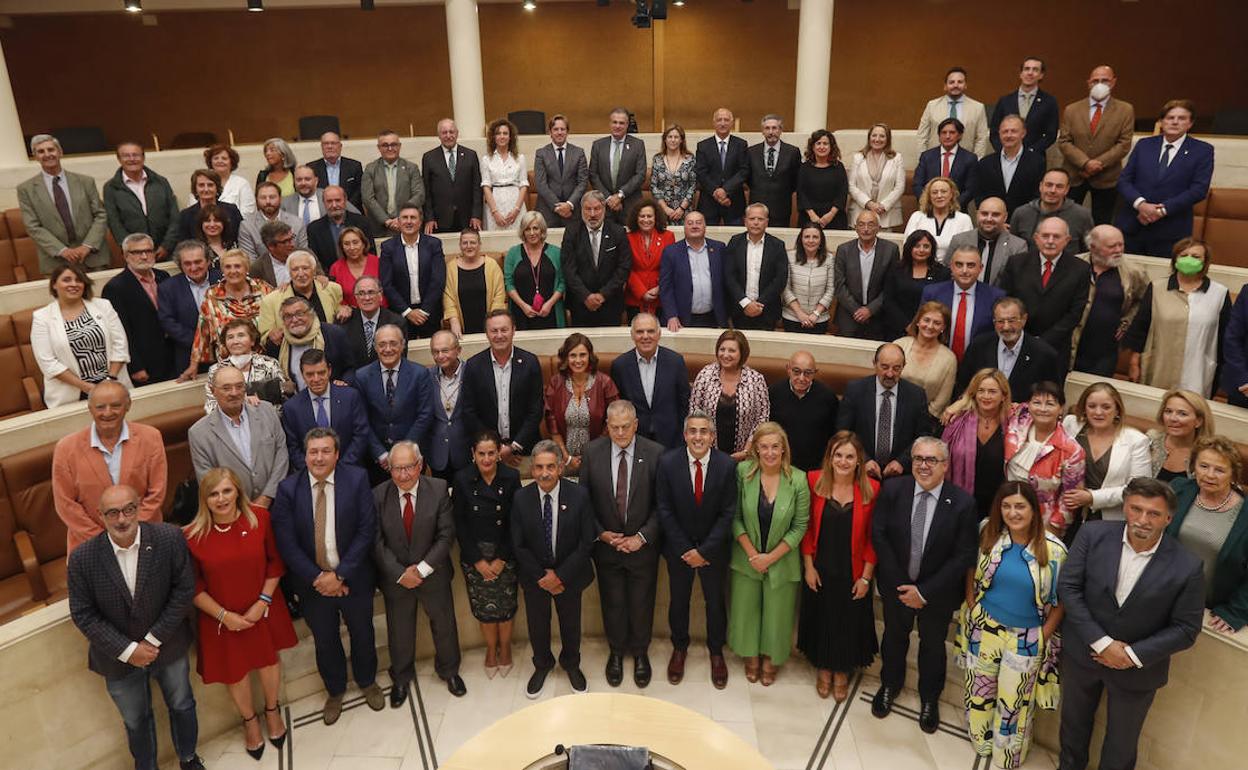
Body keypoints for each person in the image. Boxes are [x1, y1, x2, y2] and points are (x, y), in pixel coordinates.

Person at [1057, 477, 1204, 770]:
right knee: (1073, 727)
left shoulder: (1188, 565)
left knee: (1122, 744)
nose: (1143, 520)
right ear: (1125, 507)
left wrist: (1130, 656)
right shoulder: (1092, 534)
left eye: (1154, 514)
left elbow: (1186, 629)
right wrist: (1103, 643)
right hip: (1082, 655)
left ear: (1168, 518)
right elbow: (1069, 589)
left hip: (1138, 670)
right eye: (1136, 509)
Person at [66, 485, 203, 770]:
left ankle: (188, 758)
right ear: (100, 516)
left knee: (182, 704)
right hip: (117, 659)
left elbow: (183, 590)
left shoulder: (169, 538)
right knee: (135, 721)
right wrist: (129, 651)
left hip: (168, 645)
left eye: (128, 510)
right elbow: (83, 613)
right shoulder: (81, 559)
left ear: (139, 507)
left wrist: (152, 641)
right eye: (112, 513)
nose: (122, 519)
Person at [271, 427, 384, 724]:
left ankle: (367, 681)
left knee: (363, 633)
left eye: (325, 451)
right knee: (325, 640)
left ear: (337, 454)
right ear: (305, 455)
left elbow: (365, 530)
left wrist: (340, 575)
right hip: (313, 586)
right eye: (313, 452)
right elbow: (287, 542)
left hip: (354, 578)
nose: (318, 458)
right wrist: (320, 579)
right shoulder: (287, 490)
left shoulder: (357, 479)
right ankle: (335, 691)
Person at [184, 467, 295, 759]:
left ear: (238, 492)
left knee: (269, 661)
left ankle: (272, 711)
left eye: (226, 491)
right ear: (204, 499)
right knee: (236, 672)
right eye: (213, 494)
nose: (221, 499)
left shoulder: (260, 518)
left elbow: (275, 563)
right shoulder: (192, 536)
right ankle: (249, 721)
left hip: (262, 609)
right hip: (221, 620)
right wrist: (224, 616)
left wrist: (262, 602)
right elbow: (193, 587)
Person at [871, 436, 978, 732]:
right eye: (918, 458)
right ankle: (889, 686)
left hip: (937, 595)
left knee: (932, 646)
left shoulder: (962, 503)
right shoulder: (893, 490)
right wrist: (902, 586)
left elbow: (964, 555)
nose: (923, 465)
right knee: (894, 638)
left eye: (931, 460)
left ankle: (929, 699)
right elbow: (879, 535)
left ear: (945, 465)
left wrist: (923, 591)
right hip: (896, 586)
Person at [957, 481, 1066, 768]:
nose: (1013, 513)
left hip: (1026, 637)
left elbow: (1061, 599)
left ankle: (1007, 755)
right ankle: (979, 740)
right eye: (1006, 506)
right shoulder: (988, 534)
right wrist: (971, 602)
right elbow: (971, 567)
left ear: (1034, 509)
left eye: (1020, 506)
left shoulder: (1054, 550)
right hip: (984, 627)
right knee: (979, 691)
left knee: (1013, 702)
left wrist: (1044, 634)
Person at [579, 400, 664, 688]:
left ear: (636, 425)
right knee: (612, 602)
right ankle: (615, 653)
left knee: (642, 603)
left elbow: (661, 506)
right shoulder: (592, 452)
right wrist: (601, 533)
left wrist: (641, 537)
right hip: (607, 546)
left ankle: (640, 654)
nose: (620, 433)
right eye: (614, 427)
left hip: (642, 548)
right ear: (607, 426)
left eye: (625, 427)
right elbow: (584, 502)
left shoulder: (655, 453)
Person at [372, 441, 466, 702]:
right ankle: (401, 677)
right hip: (397, 579)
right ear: (389, 469)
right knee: (399, 631)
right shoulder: (378, 495)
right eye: (397, 468)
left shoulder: (437, 490)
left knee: (444, 625)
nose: (403, 475)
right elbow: (376, 542)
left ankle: (449, 671)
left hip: (433, 574)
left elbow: (446, 535)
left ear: (420, 464)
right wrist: (402, 574)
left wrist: (422, 570)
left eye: (409, 467)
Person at [656, 410, 738, 690]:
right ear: (684, 435)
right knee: (678, 601)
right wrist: (686, 549)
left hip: (713, 552)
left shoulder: (727, 466)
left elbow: (728, 513)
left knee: (715, 603)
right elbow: (664, 510)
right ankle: (679, 649)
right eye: (693, 431)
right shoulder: (667, 463)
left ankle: (716, 652)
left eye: (704, 431)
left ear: (712, 436)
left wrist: (704, 551)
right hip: (678, 550)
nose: (698, 436)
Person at [512, 440, 597, 698]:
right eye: (538, 467)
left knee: (571, 624)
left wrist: (560, 575)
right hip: (534, 577)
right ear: (533, 469)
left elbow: (586, 541)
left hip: (569, 575)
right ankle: (542, 664)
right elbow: (518, 544)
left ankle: (571, 664)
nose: (544, 473)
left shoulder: (579, 495)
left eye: (550, 466)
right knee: (537, 625)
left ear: (560, 467)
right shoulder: (521, 498)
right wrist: (542, 576)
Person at [798, 431, 879, 701]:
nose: (843, 461)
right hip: (820, 565)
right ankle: (823, 667)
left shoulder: (872, 489)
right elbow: (806, 528)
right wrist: (808, 566)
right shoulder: (813, 481)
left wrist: (866, 578)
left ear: (859, 461)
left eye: (850, 456)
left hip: (853, 568)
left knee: (848, 620)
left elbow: (872, 538)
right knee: (822, 616)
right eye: (838, 455)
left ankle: (842, 671)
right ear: (830, 458)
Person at [728, 422, 810, 686]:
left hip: (782, 561)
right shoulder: (743, 472)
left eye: (776, 446)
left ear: (784, 449)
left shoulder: (798, 479)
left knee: (778, 614)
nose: (770, 452)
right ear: (756, 449)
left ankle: (770, 658)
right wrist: (754, 555)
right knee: (746, 610)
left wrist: (770, 558)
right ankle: (750, 655)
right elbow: (734, 517)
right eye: (764, 447)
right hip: (746, 557)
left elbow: (800, 526)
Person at [51, 381, 166, 551]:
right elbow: (66, 505)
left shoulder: (151, 437)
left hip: (145, 536)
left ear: (128, 406)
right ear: (90, 408)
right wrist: (104, 540)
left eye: (115, 406)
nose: (107, 413)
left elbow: (157, 492)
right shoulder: (66, 448)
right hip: (90, 544)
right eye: (100, 407)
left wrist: (131, 534)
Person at [454, 430, 523, 677]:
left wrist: (502, 558)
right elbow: (459, 524)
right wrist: (478, 561)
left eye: (491, 453)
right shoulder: (462, 479)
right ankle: (490, 649)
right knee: (485, 609)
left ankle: (505, 649)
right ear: (473, 454)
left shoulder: (511, 477)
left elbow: (516, 522)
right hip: (476, 556)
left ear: (498, 454)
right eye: (481, 453)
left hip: (504, 553)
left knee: (505, 608)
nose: (486, 459)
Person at [1124, 238, 1230, 397]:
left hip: (1198, 373)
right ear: (1175, 259)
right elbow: (1141, 328)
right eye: (1184, 255)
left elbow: (1225, 337)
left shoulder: (1219, 293)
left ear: (1205, 262)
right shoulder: (1157, 288)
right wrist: (1134, 363)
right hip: (1160, 368)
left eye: (1196, 256)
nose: (1189, 259)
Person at [1168, 436, 1248, 634]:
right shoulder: (1178, 489)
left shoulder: (1245, 514)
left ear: (1233, 474)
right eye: (1203, 466)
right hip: (1163, 591)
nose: (1209, 475)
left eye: (1219, 470)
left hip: (1209, 605)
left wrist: (1236, 612)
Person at [1116, 99, 1215, 257]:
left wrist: (1161, 210)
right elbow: (1124, 181)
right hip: (1133, 224)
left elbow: (1199, 190)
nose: (1175, 122)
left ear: (1190, 124)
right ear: (1161, 122)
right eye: (1170, 118)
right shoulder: (1144, 145)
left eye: (1181, 118)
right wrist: (1141, 205)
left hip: (1171, 230)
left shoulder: (1202, 150)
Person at [31, 263, 131, 408]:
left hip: (113, 384)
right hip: (72, 393)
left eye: (79, 280)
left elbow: (120, 344)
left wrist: (110, 379)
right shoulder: (42, 317)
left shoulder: (103, 305)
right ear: (54, 284)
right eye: (66, 280)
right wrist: (88, 388)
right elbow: (48, 363)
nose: (74, 284)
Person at [999, 218, 1091, 374]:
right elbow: (1006, 301)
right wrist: (1021, 337)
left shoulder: (1080, 269)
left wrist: (1043, 341)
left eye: (1056, 237)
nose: (1050, 241)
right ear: (1036, 238)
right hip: (1016, 342)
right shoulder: (1016, 263)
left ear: (1067, 240)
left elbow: (1075, 313)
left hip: (1056, 348)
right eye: (1045, 236)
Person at [188, 365, 289, 508]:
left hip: (277, 504)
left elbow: (281, 455)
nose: (234, 393)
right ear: (213, 391)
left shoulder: (267, 411)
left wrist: (267, 497)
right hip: (232, 512)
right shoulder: (199, 433)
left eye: (239, 386)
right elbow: (208, 480)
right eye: (226, 388)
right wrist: (241, 508)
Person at [461, 310, 545, 468]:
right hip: (487, 454)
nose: (499, 335)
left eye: (504, 330)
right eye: (494, 331)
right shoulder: (474, 365)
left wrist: (514, 447)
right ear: (486, 334)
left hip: (524, 450)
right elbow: (469, 412)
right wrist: (495, 448)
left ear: (514, 330)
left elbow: (535, 411)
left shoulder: (530, 362)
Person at [1060, 382, 1152, 526]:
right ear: (1084, 408)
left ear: (1117, 411)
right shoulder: (1071, 425)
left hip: (1107, 519)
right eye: (1092, 406)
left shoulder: (1137, 440)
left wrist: (1092, 497)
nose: (1098, 412)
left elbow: (1139, 488)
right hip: (1064, 510)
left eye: (1106, 407)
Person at [351, 324, 434, 480]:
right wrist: (380, 454)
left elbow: (425, 415)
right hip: (377, 462)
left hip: (411, 458)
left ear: (403, 345)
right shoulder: (362, 376)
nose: (387, 349)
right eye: (382, 344)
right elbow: (361, 419)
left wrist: (403, 452)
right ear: (375, 347)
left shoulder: (420, 374)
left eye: (393, 343)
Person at [836, 342, 930, 479]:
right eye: (884, 367)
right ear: (874, 363)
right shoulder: (855, 390)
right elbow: (843, 432)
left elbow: (923, 436)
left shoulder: (916, 395)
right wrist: (864, 460)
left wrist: (902, 462)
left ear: (904, 366)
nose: (890, 374)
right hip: (860, 470)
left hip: (901, 474)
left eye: (896, 368)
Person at [18, 134, 109, 273]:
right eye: (41, 151)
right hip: (56, 263)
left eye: (51, 149)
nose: (47, 154)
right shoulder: (26, 189)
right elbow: (32, 226)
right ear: (35, 156)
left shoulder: (85, 182)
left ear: (60, 152)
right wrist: (62, 250)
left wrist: (87, 245)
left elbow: (100, 215)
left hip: (93, 258)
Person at [1004, 381, 1085, 537]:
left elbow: (1069, 502)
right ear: (1028, 405)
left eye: (1050, 404)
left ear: (1061, 408)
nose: (1042, 409)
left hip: (1041, 524)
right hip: (1006, 510)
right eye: (1036, 402)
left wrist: (1051, 531)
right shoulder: (1018, 421)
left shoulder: (1072, 450)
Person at [1058, 65, 1136, 226]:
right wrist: (1085, 163)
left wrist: (1098, 163)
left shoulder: (1125, 110)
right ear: (1088, 83)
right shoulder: (1072, 109)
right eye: (1095, 81)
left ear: (1113, 82)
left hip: (1107, 177)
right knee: (1068, 220)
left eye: (1105, 80)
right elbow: (1064, 141)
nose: (1100, 84)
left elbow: (1124, 143)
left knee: (1102, 221)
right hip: (1074, 174)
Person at [1070, 224, 1150, 377]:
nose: (1119, 250)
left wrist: (1127, 321)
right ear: (1093, 247)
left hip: (1105, 350)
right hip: (1072, 342)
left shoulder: (1134, 271)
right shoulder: (1073, 265)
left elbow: (1143, 302)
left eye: (1121, 245)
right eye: (1112, 246)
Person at [182, 249, 272, 377]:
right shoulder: (212, 295)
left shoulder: (264, 289)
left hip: (263, 362)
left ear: (247, 268)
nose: (232, 271)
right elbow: (202, 330)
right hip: (227, 364)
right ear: (222, 271)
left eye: (237, 266)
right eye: (228, 267)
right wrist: (193, 364)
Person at [101, 233, 175, 385]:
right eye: (137, 252)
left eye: (148, 251)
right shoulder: (115, 288)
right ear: (126, 256)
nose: (144, 256)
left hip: (173, 353)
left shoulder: (164, 276)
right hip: (145, 361)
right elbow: (120, 331)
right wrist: (135, 366)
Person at [609, 313, 691, 449]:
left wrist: (681, 439)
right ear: (632, 335)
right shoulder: (620, 366)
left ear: (659, 334)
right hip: (634, 441)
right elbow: (618, 405)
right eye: (640, 332)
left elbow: (684, 404)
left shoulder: (675, 362)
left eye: (651, 331)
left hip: (671, 441)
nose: (645, 336)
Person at [543, 332, 620, 475]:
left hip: (599, 457)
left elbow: (613, 423)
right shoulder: (556, 382)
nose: (578, 360)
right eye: (573, 355)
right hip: (563, 458)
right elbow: (552, 424)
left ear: (590, 356)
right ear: (566, 358)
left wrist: (591, 456)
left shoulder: (604, 383)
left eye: (582, 355)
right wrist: (566, 458)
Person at [956, 297, 1060, 401]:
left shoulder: (1044, 354)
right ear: (994, 322)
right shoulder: (979, 346)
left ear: (1024, 320)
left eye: (1011, 321)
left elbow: (1052, 398)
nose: (1006, 327)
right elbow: (963, 386)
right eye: (1000, 321)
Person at [282, 349, 370, 471]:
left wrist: (341, 467)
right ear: (302, 374)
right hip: (312, 477)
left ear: (329, 370)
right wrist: (316, 472)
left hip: (349, 471)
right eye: (310, 374)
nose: (316, 379)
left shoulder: (350, 397)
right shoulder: (292, 408)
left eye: (321, 372)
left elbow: (361, 435)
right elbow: (293, 447)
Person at [689, 329, 770, 461]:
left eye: (732, 351)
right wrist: (705, 447)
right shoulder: (705, 375)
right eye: (722, 349)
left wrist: (746, 451)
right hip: (707, 454)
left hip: (745, 456)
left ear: (742, 353)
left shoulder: (756, 380)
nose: (725, 355)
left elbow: (762, 418)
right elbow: (694, 413)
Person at [942, 368, 1011, 517]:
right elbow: (942, 460)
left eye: (992, 391)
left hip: (997, 505)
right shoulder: (956, 420)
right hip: (959, 502)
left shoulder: (1014, 424)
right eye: (981, 391)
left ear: (1003, 396)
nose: (986, 396)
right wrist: (962, 403)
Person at [921, 245, 1006, 360]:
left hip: (979, 364)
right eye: (959, 265)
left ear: (980, 268)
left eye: (971, 265)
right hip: (936, 361)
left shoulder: (996, 297)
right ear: (951, 267)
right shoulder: (932, 293)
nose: (964, 271)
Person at [562, 191, 633, 327]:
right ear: (582, 210)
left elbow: (624, 268)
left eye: (597, 209)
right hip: (580, 304)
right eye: (588, 209)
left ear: (604, 209)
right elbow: (568, 269)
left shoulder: (618, 232)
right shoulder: (572, 232)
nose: (593, 214)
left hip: (610, 303)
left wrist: (602, 295)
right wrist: (586, 296)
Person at [378, 205, 447, 338]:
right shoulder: (388, 248)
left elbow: (438, 280)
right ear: (398, 222)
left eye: (413, 218)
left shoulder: (434, 244)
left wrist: (425, 311)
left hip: (430, 312)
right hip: (400, 314)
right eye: (405, 218)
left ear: (420, 222)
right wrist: (407, 312)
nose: (409, 221)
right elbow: (386, 284)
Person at [104, 142, 180, 259]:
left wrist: (167, 245)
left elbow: (174, 216)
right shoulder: (111, 188)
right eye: (126, 155)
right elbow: (114, 223)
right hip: (134, 253)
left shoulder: (161, 182)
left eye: (136, 155)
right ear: (119, 159)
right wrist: (132, 249)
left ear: (143, 157)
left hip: (166, 250)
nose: (131, 159)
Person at [768, 351, 839, 472]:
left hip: (816, 467)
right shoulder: (773, 393)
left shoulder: (828, 397)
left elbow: (835, 434)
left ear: (815, 373)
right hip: (779, 464)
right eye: (796, 371)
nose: (801, 378)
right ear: (788, 369)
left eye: (808, 373)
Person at [159, 241, 221, 375]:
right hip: (188, 354)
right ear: (180, 265)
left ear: (208, 261)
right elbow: (167, 321)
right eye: (187, 263)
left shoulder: (223, 279)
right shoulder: (168, 287)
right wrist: (200, 342)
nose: (193, 267)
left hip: (225, 351)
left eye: (198, 262)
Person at [657, 210, 727, 330]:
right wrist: (671, 315)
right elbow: (666, 287)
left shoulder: (719, 248)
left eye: (698, 222)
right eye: (690, 223)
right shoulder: (671, 252)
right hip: (681, 318)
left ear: (705, 226)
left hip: (714, 317)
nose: (694, 226)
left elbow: (726, 283)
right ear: (684, 227)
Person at [261, 296, 351, 387]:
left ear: (311, 314)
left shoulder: (333, 334)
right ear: (283, 321)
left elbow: (350, 367)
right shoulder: (277, 342)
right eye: (288, 316)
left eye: (299, 314)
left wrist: (344, 382)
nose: (295, 320)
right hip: (296, 399)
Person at [725, 202, 788, 331]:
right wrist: (745, 303)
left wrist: (760, 304)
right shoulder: (734, 242)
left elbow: (780, 279)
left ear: (767, 222)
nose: (756, 222)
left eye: (760, 219)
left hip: (767, 310)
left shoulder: (777, 245)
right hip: (739, 309)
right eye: (752, 219)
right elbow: (729, 276)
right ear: (745, 221)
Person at [202, 319, 288, 413]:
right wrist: (242, 403)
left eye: (241, 335)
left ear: (252, 341)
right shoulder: (216, 370)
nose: (235, 341)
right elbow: (211, 408)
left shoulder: (269, 364)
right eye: (230, 337)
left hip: (266, 422)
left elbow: (282, 401)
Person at [881, 229, 950, 341]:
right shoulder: (895, 269)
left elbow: (941, 306)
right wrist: (908, 326)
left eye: (926, 246)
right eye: (917, 246)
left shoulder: (942, 273)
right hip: (897, 329)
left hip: (929, 330)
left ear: (932, 249)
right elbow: (888, 301)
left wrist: (922, 326)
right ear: (909, 248)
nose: (921, 250)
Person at [893, 301, 958, 417]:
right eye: (926, 320)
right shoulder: (899, 346)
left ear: (943, 328)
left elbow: (942, 400)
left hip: (926, 420)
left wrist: (919, 418)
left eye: (937, 323)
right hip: (890, 411)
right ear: (918, 321)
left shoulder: (949, 359)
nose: (930, 326)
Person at [947, 197, 1028, 288]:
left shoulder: (1018, 246)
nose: (989, 219)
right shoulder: (959, 240)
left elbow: (1018, 282)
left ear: (1005, 217)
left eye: (995, 215)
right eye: (984, 214)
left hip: (1001, 299)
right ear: (977, 214)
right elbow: (948, 274)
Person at [258, 249, 344, 335]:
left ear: (314, 270)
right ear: (289, 273)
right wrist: (273, 336)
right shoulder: (271, 301)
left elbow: (341, 315)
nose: (301, 274)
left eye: (305, 268)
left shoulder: (333, 289)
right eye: (295, 269)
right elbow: (265, 338)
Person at [505, 211, 567, 330]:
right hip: (521, 313)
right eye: (528, 229)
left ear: (542, 230)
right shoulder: (513, 253)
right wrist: (523, 306)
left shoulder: (556, 252)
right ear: (523, 231)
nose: (532, 233)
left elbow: (562, 282)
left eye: (535, 228)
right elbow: (509, 284)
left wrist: (549, 304)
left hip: (551, 312)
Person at [975, 115, 1047, 216]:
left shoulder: (1037, 162)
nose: (1009, 135)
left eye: (1014, 131)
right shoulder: (985, 163)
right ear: (999, 134)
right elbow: (980, 195)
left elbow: (1037, 195)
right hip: (992, 221)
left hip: (1025, 220)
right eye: (1005, 131)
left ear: (1023, 133)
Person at [421, 118, 483, 233]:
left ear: (457, 133)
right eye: (444, 132)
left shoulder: (471, 155)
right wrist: (429, 218)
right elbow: (426, 191)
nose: (448, 135)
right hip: (439, 220)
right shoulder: (429, 158)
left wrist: (476, 215)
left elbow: (477, 189)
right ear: (439, 135)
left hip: (468, 219)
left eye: (451, 132)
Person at [916, 66, 992, 157]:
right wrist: (923, 160)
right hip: (936, 161)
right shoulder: (932, 106)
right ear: (945, 86)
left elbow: (981, 138)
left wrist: (975, 162)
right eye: (951, 82)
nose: (956, 85)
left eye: (960, 82)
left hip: (965, 163)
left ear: (965, 85)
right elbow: (922, 136)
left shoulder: (978, 108)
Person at [590, 107, 648, 225]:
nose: (617, 126)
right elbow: (593, 174)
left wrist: (620, 195)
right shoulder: (598, 145)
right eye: (614, 122)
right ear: (610, 123)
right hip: (604, 205)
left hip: (630, 204)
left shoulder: (638, 145)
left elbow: (640, 174)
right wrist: (609, 198)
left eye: (621, 123)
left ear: (627, 125)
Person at [444, 227, 506, 337]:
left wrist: (493, 322)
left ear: (479, 244)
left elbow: (499, 295)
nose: (469, 246)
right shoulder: (451, 268)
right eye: (465, 243)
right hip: (462, 328)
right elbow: (448, 297)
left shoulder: (492, 265)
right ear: (460, 245)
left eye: (472, 242)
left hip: (491, 327)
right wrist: (454, 320)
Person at [424, 331, 470, 480]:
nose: (440, 356)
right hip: (437, 453)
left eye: (445, 350)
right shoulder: (426, 376)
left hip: (467, 451)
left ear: (458, 350)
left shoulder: (472, 372)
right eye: (435, 352)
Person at [988, 56, 1059, 152]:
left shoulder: (1049, 102)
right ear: (1021, 74)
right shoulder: (1005, 101)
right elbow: (994, 131)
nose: (1030, 73)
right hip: (1006, 156)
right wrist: (1003, 150)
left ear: (1041, 75)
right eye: (1026, 69)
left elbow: (1051, 134)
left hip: (1035, 157)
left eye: (1035, 70)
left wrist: (1031, 151)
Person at [694, 107, 750, 225]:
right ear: (714, 123)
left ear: (732, 123)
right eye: (719, 120)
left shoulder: (741, 144)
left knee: (736, 239)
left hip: (734, 201)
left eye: (726, 120)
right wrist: (716, 191)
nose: (723, 123)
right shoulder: (703, 146)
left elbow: (744, 171)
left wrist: (725, 190)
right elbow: (701, 172)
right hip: (709, 203)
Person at [363, 130, 425, 236]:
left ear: (399, 146)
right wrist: (386, 220)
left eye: (394, 144)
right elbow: (368, 198)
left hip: (408, 225)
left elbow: (419, 195)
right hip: (379, 227)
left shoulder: (411, 168)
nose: (390, 148)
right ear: (379, 148)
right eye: (385, 145)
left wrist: (401, 218)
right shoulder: (370, 169)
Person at [533, 114, 588, 229]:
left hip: (572, 212)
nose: (559, 132)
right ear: (550, 132)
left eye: (562, 129)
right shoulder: (541, 154)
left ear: (567, 131)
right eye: (556, 129)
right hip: (548, 211)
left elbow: (582, 182)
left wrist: (569, 205)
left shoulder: (578, 153)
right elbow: (541, 184)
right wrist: (558, 207)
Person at [747, 114, 802, 227]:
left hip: (781, 208)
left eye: (774, 128)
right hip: (757, 210)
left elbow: (795, 180)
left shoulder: (792, 152)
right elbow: (748, 178)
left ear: (781, 130)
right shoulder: (751, 152)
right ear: (762, 131)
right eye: (767, 128)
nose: (771, 132)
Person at [1148, 389, 1215, 482]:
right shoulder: (1150, 440)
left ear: (1198, 421)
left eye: (1182, 414)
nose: (1172, 418)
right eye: (1168, 411)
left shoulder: (1210, 454)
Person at [340, 275, 405, 372]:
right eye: (361, 293)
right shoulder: (344, 321)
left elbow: (400, 359)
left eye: (371, 292)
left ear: (380, 295)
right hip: (354, 381)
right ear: (356, 297)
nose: (367, 298)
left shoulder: (396, 322)